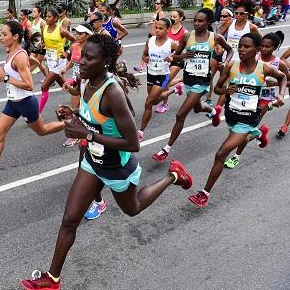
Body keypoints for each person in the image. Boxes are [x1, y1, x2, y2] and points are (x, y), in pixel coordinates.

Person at [19, 34, 194, 289]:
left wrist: (86, 133)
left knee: (132, 208)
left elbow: (133, 143)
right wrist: (74, 114)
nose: (81, 61)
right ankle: (52, 279)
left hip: (117, 164)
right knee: (70, 219)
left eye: (89, 58)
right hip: (93, 160)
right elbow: (96, 115)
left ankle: (173, 175)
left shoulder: (112, 91)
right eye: (81, 56)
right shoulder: (84, 80)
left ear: (106, 62)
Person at [188, 33, 287, 207]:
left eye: (246, 46)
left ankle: (204, 193)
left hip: (248, 118)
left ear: (256, 50)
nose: (241, 49)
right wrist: (226, 90)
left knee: (221, 153)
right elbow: (218, 88)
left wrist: (280, 94)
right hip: (232, 115)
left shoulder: (264, 68)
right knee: (239, 137)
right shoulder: (232, 66)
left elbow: (283, 77)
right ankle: (257, 134)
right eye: (240, 45)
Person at [0, 21, 66, 180]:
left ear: (15, 36)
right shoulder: (11, 52)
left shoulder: (20, 56)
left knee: (41, 131)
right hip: (12, 102)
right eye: (1, 34)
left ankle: (72, 124)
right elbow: (25, 67)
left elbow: (29, 85)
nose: (1, 37)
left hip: (25, 102)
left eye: (4, 34)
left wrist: (5, 77)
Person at [151, 8, 233, 163]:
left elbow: (229, 50)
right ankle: (213, 112)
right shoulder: (188, 36)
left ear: (208, 22)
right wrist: (183, 56)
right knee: (197, 108)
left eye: (200, 21)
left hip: (202, 82)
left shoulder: (215, 37)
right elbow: (174, 57)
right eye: (195, 20)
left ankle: (166, 149)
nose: (196, 23)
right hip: (188, 79)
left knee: (180, 115)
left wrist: (225, 62)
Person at [224, 31, 289, 169]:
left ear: (274, 48)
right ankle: (259, 133)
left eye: (268, 47)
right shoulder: (252, 57)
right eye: (263, 46)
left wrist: (278, 89)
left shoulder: (278, 63)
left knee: (244, 130)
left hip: (265, 98)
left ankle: (236, 156)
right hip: (246, 97)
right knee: (239, 132)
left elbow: (286, 79)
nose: (265, 49)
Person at [137, 18, 179, 142]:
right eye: (156, 28)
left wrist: (173, 57)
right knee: (154, 102)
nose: (157, 30)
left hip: (163, 76)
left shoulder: (172, 44)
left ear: (168, 30)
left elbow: (182, 54)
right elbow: (145, 54)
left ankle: (140, 131)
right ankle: (174, 90)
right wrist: (145, 58)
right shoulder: (149, 41)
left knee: (148, 103)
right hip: (151, 74)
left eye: (161, 28)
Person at [60, 22, 94, 147]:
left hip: (89, 81)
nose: (77, 35)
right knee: (75, 106)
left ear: (88, 35)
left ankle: (89, 131)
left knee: (87, 108)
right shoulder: (74, 46)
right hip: (77, 80)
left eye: (80, 33)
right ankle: (76, 135)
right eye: (76, 33)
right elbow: (72, 60)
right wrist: (65, 69)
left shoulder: (92, 48)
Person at [38, 9, 75, 114]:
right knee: (63, 83)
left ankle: (37, 114)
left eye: (49, 17)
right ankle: (79, 94)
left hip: (59, 61)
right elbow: (43, 41)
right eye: (46, 16)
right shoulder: (44, 28)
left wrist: (67, 52)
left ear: (55, 19)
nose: (46, 18)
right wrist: (42, 44)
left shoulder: (61, 30)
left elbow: (75, 41)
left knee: (44, 86)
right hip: (50, 60)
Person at [155, 9, 188, 113]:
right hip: (165, 60)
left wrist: (176, 56)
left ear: (181, 18)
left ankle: (165, 104)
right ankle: (179, 82)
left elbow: (187, 50)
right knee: (162, 81)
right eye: (171, 16)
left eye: (175, 17)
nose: (172, 18)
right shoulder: (167, 30)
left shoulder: (185, 32)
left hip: (177, 61)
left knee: (165, 83)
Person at [29, 5, 48, 76]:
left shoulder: (42, 22)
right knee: (39, 63)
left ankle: (24, 77)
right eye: (32, 11)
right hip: (34, 45)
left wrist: (42, 43)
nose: (32, 13)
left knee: (30, 59)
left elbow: (45, 35)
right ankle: (47, 77)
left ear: (39, 13)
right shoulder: (32, 22)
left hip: (41, 46)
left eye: (34, 11)